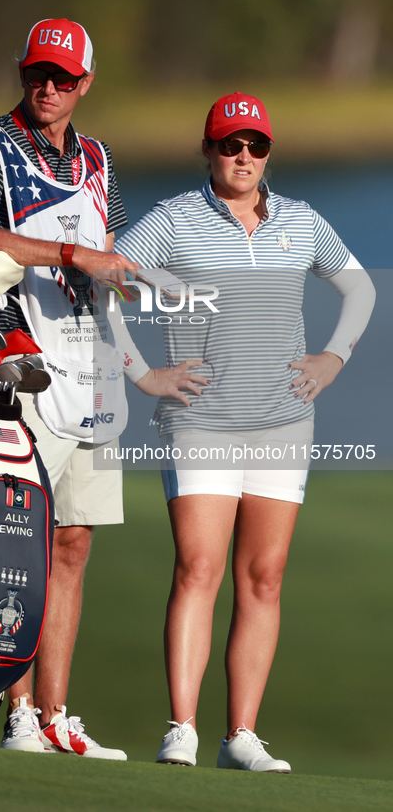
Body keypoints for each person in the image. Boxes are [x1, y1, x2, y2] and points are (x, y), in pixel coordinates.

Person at [0, 18, 197, 759]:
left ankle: (56, 716)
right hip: (20, 370)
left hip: (90, 377)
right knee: (15, 544)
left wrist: (139, 335)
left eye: (63, 78)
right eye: (37, 73)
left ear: (85, 84)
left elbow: (109, 266)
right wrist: (68, 253)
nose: (48, 88)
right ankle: (18, 714)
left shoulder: (97, 159)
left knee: (72, 544)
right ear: (23, 72)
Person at [114, 92, 376, 772]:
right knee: (198, 569)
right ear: (207, 150)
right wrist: (142, 374)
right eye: (229, 145)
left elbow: (361, 290)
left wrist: (333, 356)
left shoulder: (300, 219)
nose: (242, 157)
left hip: (284, 421)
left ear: (267, 153)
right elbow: (99, 281)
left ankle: (241, 737)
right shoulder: (172, 220)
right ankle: (181, 729)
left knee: (262, 577)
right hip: (199, 420)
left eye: (254, 146)